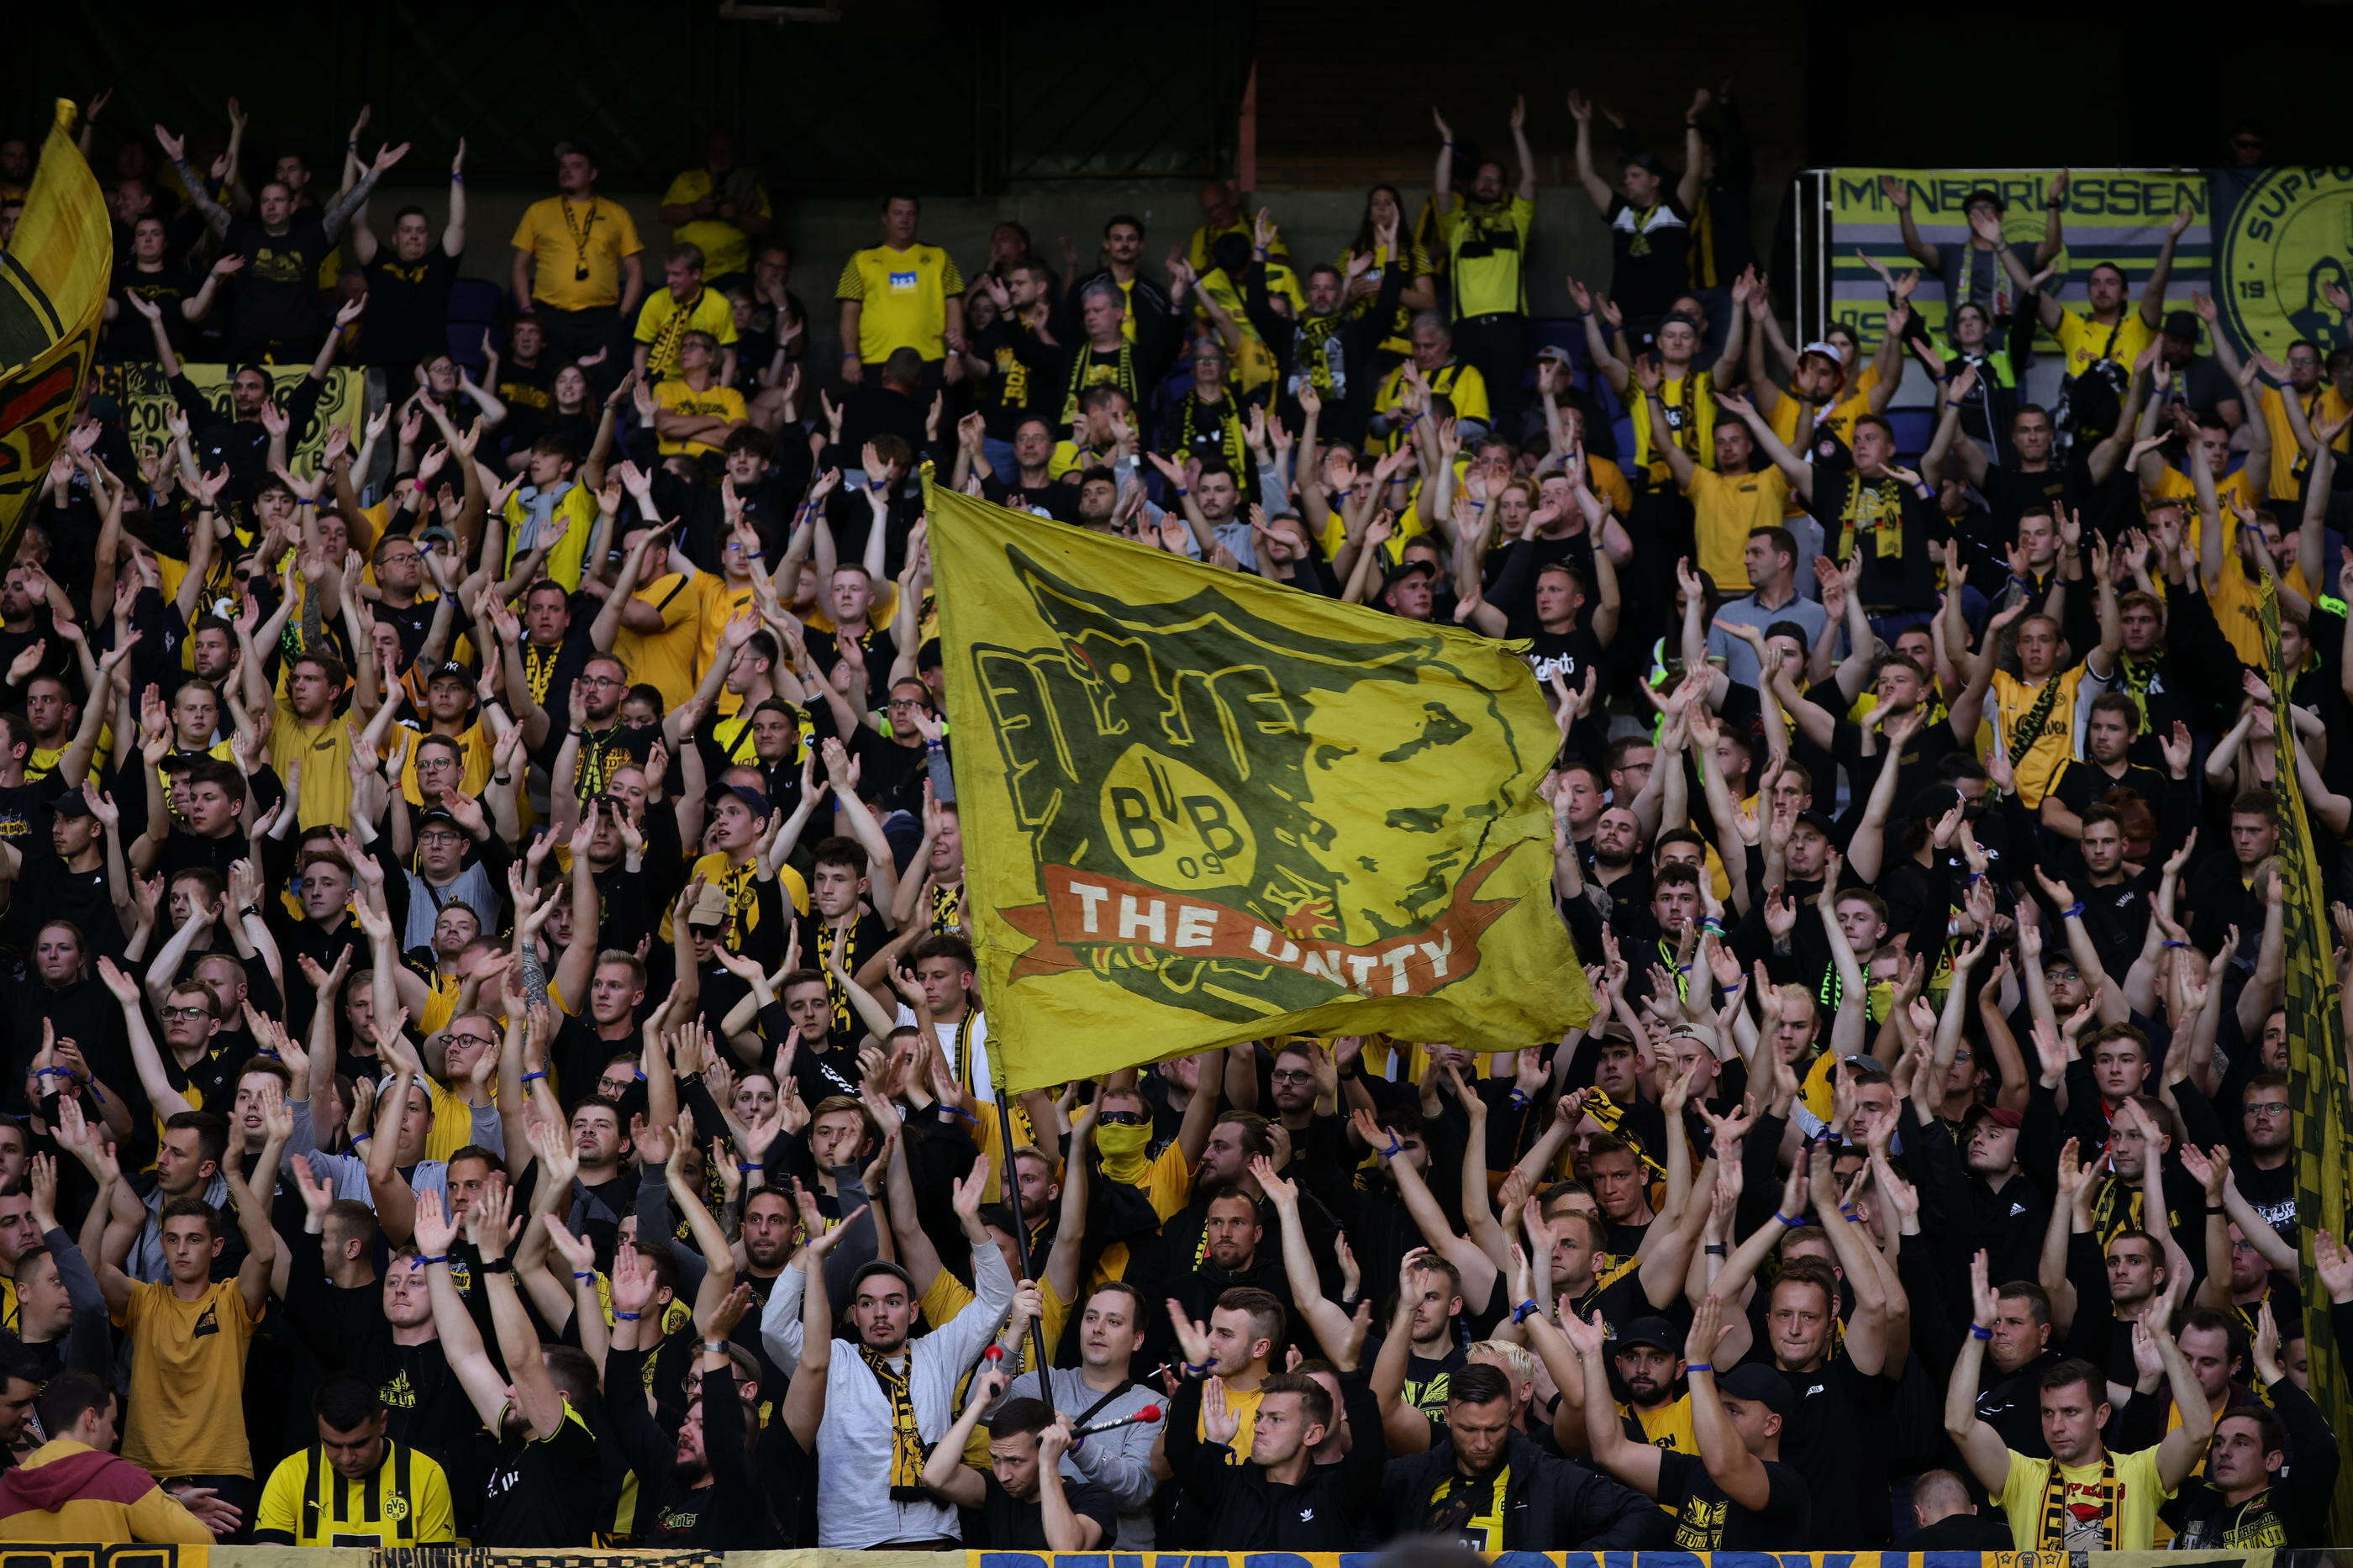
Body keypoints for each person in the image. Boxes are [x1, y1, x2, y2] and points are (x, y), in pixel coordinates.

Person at [1946, 1251, 2214, 1549]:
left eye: (2071, 1412)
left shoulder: (2139, 1472)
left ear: (2101, 1415)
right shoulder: (2024, 1478)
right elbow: (1959, 1425)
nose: (2057, 1425)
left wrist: (2164, 1339)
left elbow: (2199, 1430)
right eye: (2048, 1413)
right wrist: (1978, 1330)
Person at [0, 1372, 213, 1542]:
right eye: (112, 1422)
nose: (115, 1436)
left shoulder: (7, 1489)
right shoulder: (123, 1480)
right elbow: (201, 1541)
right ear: (91, 1418)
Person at [254, 1372, 457, 1544]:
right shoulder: (289, 1474)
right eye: (332, 1445)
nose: (346, 1458)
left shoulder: (427, 1475)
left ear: (382, 1423)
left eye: (359, 1444)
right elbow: (270, 1559)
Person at [510, 141, 645, 377]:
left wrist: (622, 316)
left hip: (601, 319)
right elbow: (520, 266)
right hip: (550, 316)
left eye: (576, 166)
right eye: (563, 166)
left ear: (592, 174)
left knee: (601, 382)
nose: (566, 171)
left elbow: (635, 271)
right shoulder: (538, 211)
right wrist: (527, 310)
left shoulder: (617, 213)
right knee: (550, 384)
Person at [836, 195, 963, 387]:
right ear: (884, 219)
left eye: (911, 214)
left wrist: (954, 356)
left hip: (929, 359)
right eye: (897, 213)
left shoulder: (939, 256)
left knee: (931, 416)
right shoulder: (862, 258)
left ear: (918, 218)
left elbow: (953, 307)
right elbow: (849, 312)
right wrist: (850, 355)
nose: (904, 220)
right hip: (876, 360)